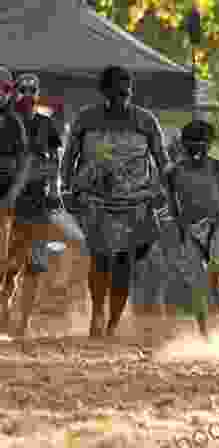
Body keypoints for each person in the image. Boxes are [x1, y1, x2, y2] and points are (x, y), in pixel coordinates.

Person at [61, 65, 172, 338]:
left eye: (124, 92)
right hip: (95, 201)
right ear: (104, 92)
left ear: (130, 92)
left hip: (135, 203)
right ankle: (98, 312)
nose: (119, 98)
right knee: (100, 258)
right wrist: (65, 187)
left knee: (124, 261)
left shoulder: (146, 122)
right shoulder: (86, 119)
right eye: (113, 93)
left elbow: (163, 162)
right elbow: (68, 158)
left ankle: (112, 323)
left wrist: (164, 191)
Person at [0, 73, 87, 337]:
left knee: (36, 263)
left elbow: (55, 164)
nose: (27, 93)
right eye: (22, 89)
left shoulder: (45, 124)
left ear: (38, 92)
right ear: (14, 92)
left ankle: (23, 323)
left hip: (37, 201)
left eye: (32, 89)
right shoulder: (8, 122)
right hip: (10, 202)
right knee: (8, 265)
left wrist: (55, 188)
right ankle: (5, 308)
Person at [163, 120, 219, 338]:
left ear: (209, 145)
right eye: (192, 144)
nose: (197, 149)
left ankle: (214, 286)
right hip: (190, 230)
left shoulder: (216, 165)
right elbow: (172, 204)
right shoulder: (174, 171)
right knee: (197, 285)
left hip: (217, 223)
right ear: (184, 146)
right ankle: (204, 333)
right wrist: (179, 229)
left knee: (216, 261)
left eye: (202, 143)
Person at [0, 68, 33, 332]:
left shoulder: (14, 122)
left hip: (8, 200)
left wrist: (12, 193)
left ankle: (7, 298)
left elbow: (24, 163)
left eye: (5, 89)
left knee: (7, 257)